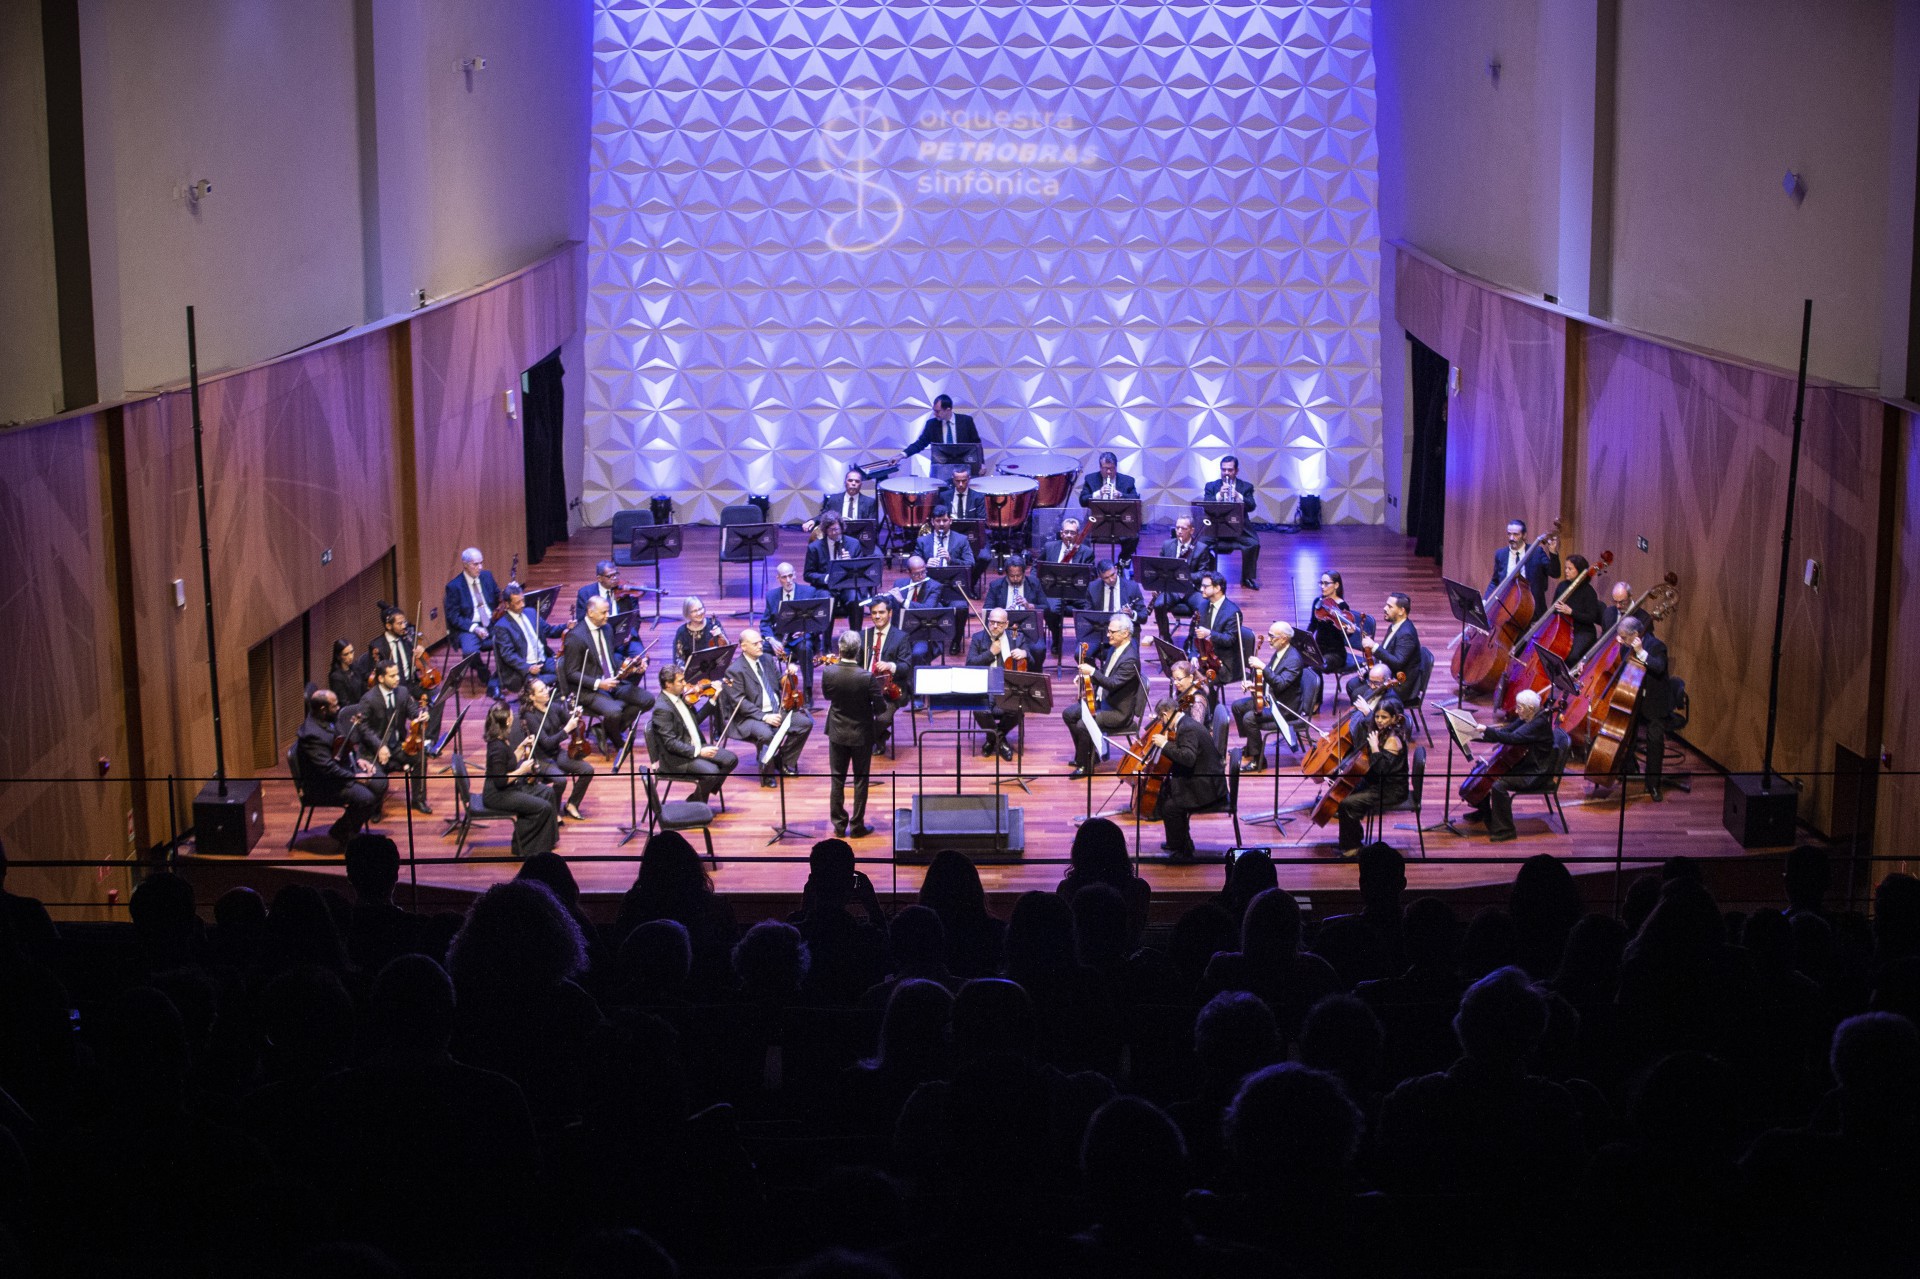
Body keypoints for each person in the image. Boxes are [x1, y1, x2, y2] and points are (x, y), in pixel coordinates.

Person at [559, 596, 653, 753]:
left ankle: (604, 730)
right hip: (589, 689)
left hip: (613, 682)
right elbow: (571, 673)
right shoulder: (575, 637)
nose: (607, 615)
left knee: (647, 700)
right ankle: (616, 740)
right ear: (590, 612)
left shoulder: (607, 629)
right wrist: (599, 683)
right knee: (614, 711)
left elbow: (609, 659)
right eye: (604, 612)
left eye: (608, 611)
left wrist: (631, 668)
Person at [1464, 689, 1557, 842]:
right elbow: (1507, 730)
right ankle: (1484, 811)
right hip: (1527, 763)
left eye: (1519, 707)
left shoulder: (1538, 724)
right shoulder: (1528, 716)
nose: (1516, 710)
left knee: (1498, 784)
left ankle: (1505, 830)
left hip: (1534, 772)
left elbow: (1512, 738)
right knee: (1488, 774)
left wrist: (1487, 730)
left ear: (1531, 709)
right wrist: (1476, 735)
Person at [722, 628, 812, 787]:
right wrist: (764, 717)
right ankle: (767, 775)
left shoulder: (768, 659)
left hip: (776, 709)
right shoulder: (734, 670)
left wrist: (788, 674)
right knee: (766, 734)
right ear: (743, 646)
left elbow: (779, 683)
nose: (760, 646)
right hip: (749, 717)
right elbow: (739, 702)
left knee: (804, 724)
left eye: (760, 642)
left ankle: (782, 760)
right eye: (755, 644)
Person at [295, 690, 387, 845]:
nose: (339, 708)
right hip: (323, 784)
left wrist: (358, 761)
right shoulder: (311, 735)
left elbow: (342, 744)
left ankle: (346, 828)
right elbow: (327, 769)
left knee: (380, 782)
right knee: (366, 799)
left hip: (341, 771)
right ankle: (343, 833)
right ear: (323, 709)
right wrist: (355, 777)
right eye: (334, 705)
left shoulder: (328, 719)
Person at [1144, 695, 1228, 863]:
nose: (1161, 723)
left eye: (1161, 719)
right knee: (1167, 790)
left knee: (1171, 807)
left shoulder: (1187, 728)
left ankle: (1183, 850)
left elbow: (1188, 758)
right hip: (1205, 778)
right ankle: (1177, 842)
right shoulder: (1186, 723)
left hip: (1207, 787)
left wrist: (1165, 745)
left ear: (1166, 715)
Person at [1066, 615, 1148, 778]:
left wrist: (1093, 671)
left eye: (1112, 631)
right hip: (1105, 701)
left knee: (1083, 724)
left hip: (1118, 712)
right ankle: (1088, 756)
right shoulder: (1115, 647)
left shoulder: (1130, 659)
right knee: (1068, 714)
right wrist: (1086, 677)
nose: (1108, 634)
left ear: (1125, 633)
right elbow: (1105, 673)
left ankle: (1085, 766)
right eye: (1108, 631)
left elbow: (1112, 684)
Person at [480, 703, 559, 858]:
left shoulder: (501, 739)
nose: (513, 717)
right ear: (507, 721)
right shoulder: (496, 747)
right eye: (511, 715)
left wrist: (522, 747)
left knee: (548, 792)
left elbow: (508, 762)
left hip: (507, 789)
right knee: (542, 807)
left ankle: (548, 842)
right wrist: (522, 770)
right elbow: (500, 781)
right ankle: (525, 847)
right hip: (497, 795)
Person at [649, 666, 738, 804]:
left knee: (731, 759)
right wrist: (699, 752)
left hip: (695, 745)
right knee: (712, 773)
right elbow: (670, 743)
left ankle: (696, 799)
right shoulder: (662, 709)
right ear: (668, 684)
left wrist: (714, 698)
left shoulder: (681, 697)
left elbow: (695, 721)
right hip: (677, 758)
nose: (685, 684)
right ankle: (698, 805)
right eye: (680, 681)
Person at [823, 631, 882, 838]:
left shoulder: (829, 672)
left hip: (837, 732)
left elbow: (828, 695)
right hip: (861, 735)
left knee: (837, 779)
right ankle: (857, 827)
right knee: (860, 780)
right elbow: (881, 708)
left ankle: (839, 826)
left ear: (840, 649)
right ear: (858, 651)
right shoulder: (867, 677)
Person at [1333, 697, 1409, 857]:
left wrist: (1374, 747)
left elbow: (1381, 769)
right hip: (1378, 783)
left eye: (1384, 717)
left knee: (1347, 804)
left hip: (1391, 790)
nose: (1379, 721)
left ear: (1394, 718)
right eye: (1377, 716)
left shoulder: (1393, 740)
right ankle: (1352, 840)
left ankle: (1352, 848)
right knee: (1344, 795)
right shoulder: (1382, 732)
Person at [512, 678, 594, 821]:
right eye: (541, 690)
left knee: (587, 770)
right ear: (532, 697)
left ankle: (572, 804)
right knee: (561, 780)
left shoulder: (553, 707)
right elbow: (547, 743)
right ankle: (553, 811)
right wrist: (566, 730)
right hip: (540, 758)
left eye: (546, 688)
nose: (546, 691)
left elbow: (570, 721)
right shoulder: (530, 716)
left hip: (556, 753)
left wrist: (576, 716)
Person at [355, 660, 431, 813]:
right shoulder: (368, 699)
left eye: (397, 674)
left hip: (396, 747)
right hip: (373, 751)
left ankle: (418, 800)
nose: (397, 678)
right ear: (381, 678)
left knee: (420, 757)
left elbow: (413, 710)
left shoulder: (402, 692)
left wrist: (422, 715)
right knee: (379, 781)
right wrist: (380, 745)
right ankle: (375, 810)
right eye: (392, 676)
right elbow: (363, 728)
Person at [1235, 620, 1309, 768]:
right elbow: (1270, 678)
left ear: (1283, 638)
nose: (1268, 639)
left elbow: (1280, 684)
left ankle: (1259, 761)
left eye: (1272, 636)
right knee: (1238, 707)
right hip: (1270, 698)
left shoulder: (1293, 660)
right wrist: (1254, 685)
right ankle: (1251, 747)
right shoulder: (1280, 652)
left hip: (1284, 708)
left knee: (1250, 718)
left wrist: (1262, 666)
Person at [1617, 616, 1672, 801]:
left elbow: (1658, 667)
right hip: (1635, 699)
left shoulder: (1657, 646)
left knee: (1655, 741)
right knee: (1627, 736)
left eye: (1624, 637)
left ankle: (1653, 785)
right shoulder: (1627, 646)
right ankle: (1629, 768)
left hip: (1655, 703)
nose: (1622, 641)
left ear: (1635, 635)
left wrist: (1641, 652)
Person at [966, 608, 1027, 759]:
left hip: (1007, 689)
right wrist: (990, 653)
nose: (994, 626)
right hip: (985, 687)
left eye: (999, 623)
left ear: (1006, 624)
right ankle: (1001, 741)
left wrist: (1025, 653)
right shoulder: (978, 638)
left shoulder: (1017, 638)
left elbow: (1031, 658)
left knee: (1018, 709)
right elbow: (969, 664)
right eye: (991, 622)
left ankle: (992, 739)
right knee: (979, 710)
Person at [860, 596, 913, 754]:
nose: (877, 616)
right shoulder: (863, 635)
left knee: (882, 718)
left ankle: (871, 740)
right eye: (874, 613)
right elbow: (856, 663)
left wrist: (890, 666)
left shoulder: (901, 637)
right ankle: (879, 737)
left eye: (881, 612)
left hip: (891, 690)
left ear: (890, 613)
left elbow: (906, 667)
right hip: (866, 688)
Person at [1151, 515, 1216, 639]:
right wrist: (1157, 585)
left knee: (1203, 606)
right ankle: (1165, 637)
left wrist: (1185, 576)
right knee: (1158, 605)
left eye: (1183, 528)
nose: (1179, 531)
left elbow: (1204, 574)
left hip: (1192, 589)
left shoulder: (1201, 548)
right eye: (1177, 528)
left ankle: (1191, 639)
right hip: (1172, 589)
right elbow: (1159, 568)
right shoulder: (1167, 545)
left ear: (1191, 530)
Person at [1202, 454, 1261, 589]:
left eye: (1230, 470)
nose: (1226, 473)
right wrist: (1219, 495)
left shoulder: (1246, 487)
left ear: (1236, 471)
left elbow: (1251, 506)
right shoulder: (1211, 486)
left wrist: (1239, 496)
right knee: (1200, 544)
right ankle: (1207, 576)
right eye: (1224, 470)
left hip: (1239, 528)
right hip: (1216, 528)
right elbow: (1206, 505)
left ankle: (1247, 578)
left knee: (1253, 543)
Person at [494, 585, 563, 694]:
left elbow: (549, 630)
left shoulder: (531, 612)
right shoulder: (502, 626)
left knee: (567, 671)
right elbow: (508, 655)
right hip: (524, 669)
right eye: (517, 603)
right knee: (539, 686)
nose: (522, 605)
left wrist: (566, 626)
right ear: (507, 604)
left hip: (544, 660)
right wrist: (528, 667)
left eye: (522, 600)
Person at [1078, 451, 1141, 563]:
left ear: (1116, 467)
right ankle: (1088, 565)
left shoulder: (1128, 481)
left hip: (1120, 523)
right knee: (1082, 536)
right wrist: (1098, 494)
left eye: (1111, 468)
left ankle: (1122, 563)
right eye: (1105, 468)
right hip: (1096, 523)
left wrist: (1121, 495)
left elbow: (1135, 499)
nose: (1108, 472)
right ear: (1100, 467)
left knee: (1133, 536)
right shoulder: (1090, 479)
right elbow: (1082, 500)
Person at [443, 547, 501, 666]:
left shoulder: (487, 576)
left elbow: (498, 596)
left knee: (512, 638)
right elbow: (453, 617)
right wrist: (474, 628)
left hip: (491, 623)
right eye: (475, 564)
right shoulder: (454, 586)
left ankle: (503, 676)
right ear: (465, 565)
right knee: (470, 651)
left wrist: (509, 592)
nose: (480, 567)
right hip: (468, 627)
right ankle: (483, 672)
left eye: (481, 563)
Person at [1074, 558, 1146, 651]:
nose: (1111, 579)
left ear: (1116, 569)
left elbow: (1144, 616)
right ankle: (1093, 666)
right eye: (1106, 578)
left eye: (1112, 575)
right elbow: (1087, 614)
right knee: (1080, 654)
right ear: (1100, 576)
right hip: (1099, 632)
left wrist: (1132, 614)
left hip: (1123, 634)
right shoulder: (1092, 587)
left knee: (1118, 656)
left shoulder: (1132, 587)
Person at [1187, 570, 1245, 684]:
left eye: (1205, 586)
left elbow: (1229, 640)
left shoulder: (1233, 612)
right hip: (1205, 660)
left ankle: (1209, 702)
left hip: (1223, 664)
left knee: (1203, 682)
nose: (1201, 589)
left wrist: (1209, 633)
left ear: (1217, 588)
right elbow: (1195, 635)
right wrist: (1193, 655)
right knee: (1183, 677)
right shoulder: (1202, 606)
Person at [804, 514, 864, 619]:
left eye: (837, 529)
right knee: (826, 601)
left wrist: (850, 563)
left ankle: (856, 635)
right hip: (825, 587)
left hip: (847, 586)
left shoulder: (854, 544)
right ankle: (826, 636)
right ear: (825, 530)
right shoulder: (814, 548)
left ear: (841, 527)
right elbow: (808, 574)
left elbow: (861, 571)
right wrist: (826, 578)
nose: (835, 532)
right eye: (831, 530)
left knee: (856, 600)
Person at [1308, 570, 1367, 673]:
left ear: (1336, 585)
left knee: (1318, 665)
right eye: (1321, 583)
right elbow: (1313, 625)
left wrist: (1349, 632)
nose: (1322, 586)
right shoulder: (1318, 602)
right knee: (1300, 660)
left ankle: (1317, 687)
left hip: (1335, 653)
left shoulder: (1342, 606)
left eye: (1326, 584)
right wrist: (1306, 638)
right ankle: (1314, 688)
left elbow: (1342, 634)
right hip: (1319, 649)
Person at [1549, 554, 1604, 664]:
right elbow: (1553, 609)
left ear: (1579, 571)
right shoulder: (1562, 586)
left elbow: (1591, 618)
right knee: (1551, 652)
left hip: (1583, 631)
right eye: (1565, 568)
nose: (1566, 571)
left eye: (1570, 568)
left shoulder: (1589, 592)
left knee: (1571, 656)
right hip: (1563, 629)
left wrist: (1571, 612)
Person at [905, 392, 981, 459]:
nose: (935, 414)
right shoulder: (931, 424)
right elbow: (920, 444)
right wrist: (902, 455)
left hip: (963, 466)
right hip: (940, 467)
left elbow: (976, 444)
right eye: (934, 410)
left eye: (937, 411)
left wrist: (981, 464)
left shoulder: (966, 421)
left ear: (948, 410)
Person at [802, 466, 879, 533]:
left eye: (857, 481)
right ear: (845, 482)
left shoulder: (869, 502)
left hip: (859, 537)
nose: (853, 483)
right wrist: (813, 521)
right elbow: (824, 516)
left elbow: (873, 525)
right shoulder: (833, 499)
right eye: (850, 480)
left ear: (861, 484)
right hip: (836, 535)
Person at [1364, 591, 1419, 682]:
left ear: (1401, 611)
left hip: (1398, 681)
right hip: (1387, 671)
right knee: (1352, 685)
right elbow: (1386, 652)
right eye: (1386, 605)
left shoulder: (1407, 634)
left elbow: (1398, 663)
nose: (1385, 608)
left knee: (1356, 690)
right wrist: (1368, 668)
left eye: (1390, 607)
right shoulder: (1394, 625)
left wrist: (1374, 647)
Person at [328, 639, 367, 707]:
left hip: (361, 705)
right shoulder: (336, 677)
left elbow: (363, 685)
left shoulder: (355, 667)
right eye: (346, 654)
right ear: (338, 656)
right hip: (349, 711)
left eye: (352, 652)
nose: (350, 657)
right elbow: (344, 703)